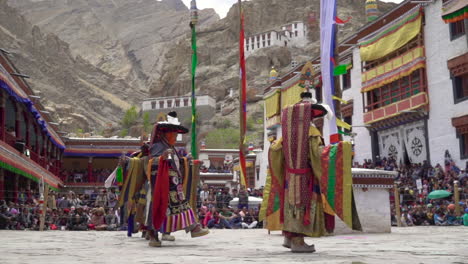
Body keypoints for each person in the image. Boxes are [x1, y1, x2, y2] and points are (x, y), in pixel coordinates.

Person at [268, 92, 361, 253]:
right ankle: (298, 241)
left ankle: (289, 238)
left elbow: (275, 151)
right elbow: (318, 154)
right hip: (305, 176)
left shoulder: (288, 133)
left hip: (290, 177)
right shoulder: (311, 132)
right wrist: (340, 149)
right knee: (302, 206)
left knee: (292, 206)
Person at [120, 111, 209, 247]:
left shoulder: (170, 147)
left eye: (175, 134)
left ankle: (193, 227)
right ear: (163, 134)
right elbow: (152, 162)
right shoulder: (158, 147)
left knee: (182, 205)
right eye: (172, 133)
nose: (174, 136)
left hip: (174, 185)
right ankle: (153, 234)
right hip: (159, 184)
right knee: (156, 207)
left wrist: (189, 161)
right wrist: (162, 158)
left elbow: (178, 163)